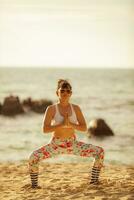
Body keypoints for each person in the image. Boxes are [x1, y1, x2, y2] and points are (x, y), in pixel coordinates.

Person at [29, 79, 104, 188]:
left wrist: (71, 124)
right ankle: (34, 186)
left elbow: (84, 128)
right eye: (62, 90)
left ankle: (94, 182)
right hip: (55, 145)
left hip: (72, 144)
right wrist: (61, 124)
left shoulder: (76, 108)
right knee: (33, 157)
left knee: (100, 152)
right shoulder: (51, 109)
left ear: (71, 94)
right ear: (57, 93)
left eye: (68, 91)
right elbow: (45, 129)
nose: (65, 93)